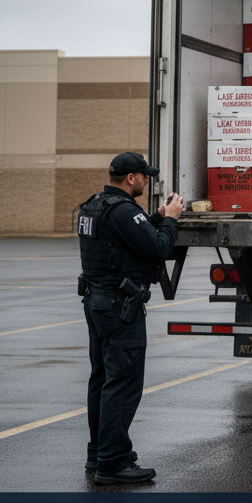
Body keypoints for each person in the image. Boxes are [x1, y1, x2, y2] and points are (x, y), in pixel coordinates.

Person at [77, 152, 184, 485]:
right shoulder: (123, 210)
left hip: (97, 301)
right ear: (131, 179)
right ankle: (113, 462)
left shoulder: (94, 206)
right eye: (144, 176)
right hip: (119, 306)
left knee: (103, 377)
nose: (147, 181)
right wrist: (172, 220)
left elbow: (120, 240)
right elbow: (158, 249)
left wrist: (154, 217)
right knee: (122, 382)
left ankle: (98, 455)